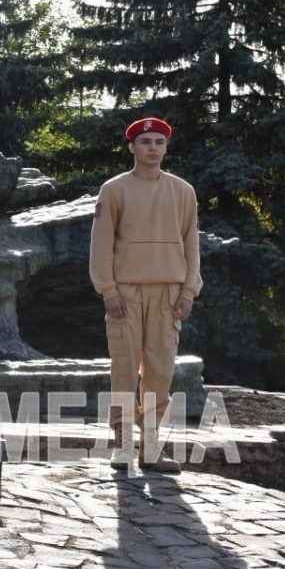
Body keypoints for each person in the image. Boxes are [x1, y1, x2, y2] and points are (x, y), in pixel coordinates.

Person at [89, 117, 202, 472]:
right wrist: (108, 290)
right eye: (146, 142)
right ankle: (123, 444)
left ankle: (150, 448)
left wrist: (189, 291)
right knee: (124, 369)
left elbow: (191, 243)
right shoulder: (114, 189)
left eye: (158, 142)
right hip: (126, 293)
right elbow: (101, 244)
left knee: (160, 373)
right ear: (132, 148)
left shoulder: (183, 191)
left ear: (166, 148)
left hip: (169, 293)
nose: (153, 148)